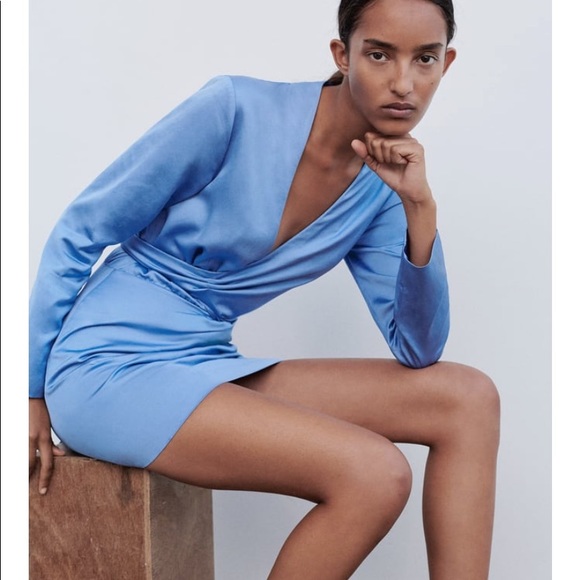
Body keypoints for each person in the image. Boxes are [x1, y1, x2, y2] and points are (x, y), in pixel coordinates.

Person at [28, 0, 500, 577]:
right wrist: (30, 392)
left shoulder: (383, 188)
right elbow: (81, 230)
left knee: (467, 399)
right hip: (108, 364)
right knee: (374, 472)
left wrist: (419, 209)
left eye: (424, 59)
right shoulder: (234, 109)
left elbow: (418, 348)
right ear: (343, 55)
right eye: (380, 55)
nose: (404, 83)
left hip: (203, 360)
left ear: (446, 64)